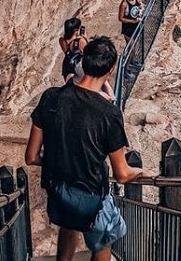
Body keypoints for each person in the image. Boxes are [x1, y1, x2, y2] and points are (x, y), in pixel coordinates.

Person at [25, 37, 143, 261]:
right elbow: (122, 173)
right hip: (90, 196)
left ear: (83, 61)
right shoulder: (108, 114)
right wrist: (142, 173)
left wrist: (60, 158)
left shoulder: (51, 97)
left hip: (58, 192)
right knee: (104, 238)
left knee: (69, 225)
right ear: (111, 69)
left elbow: (31, 156)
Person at [59, 17, 88, 83]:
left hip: (67, 68)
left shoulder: (62, 40)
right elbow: (89, 54)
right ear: (75, 30)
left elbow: (67, 51)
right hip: (77, 68)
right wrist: (85, 38)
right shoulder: (81, 41)